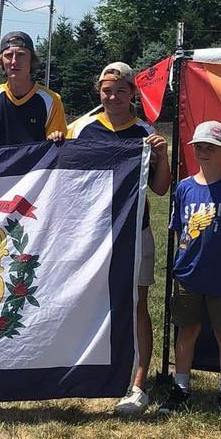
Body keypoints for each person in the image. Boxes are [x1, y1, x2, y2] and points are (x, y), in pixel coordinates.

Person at [56, 62, 171, 416]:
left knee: (137, 304)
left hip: (134, 233)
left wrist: (162, 156)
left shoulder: (144, 133)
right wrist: (55, 144)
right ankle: (86, 370)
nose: (114, 96)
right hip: (92, 235)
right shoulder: (83, 129)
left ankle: (138, 383)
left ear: (132, 94)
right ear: (99, 93)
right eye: (107, 90)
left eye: (121, 90)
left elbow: (161, 188)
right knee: (89, 301)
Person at [159, 121, 221, 416]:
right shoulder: (184, 188)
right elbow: (178, 229)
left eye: (210, 147)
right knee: (186, 330)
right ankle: (181, 387)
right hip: (188, 276)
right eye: (199, 146)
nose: (203, 152)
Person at [0, 31, 66, 147]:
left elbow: (55, 150)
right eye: (8, 55)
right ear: (1, 61)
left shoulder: (51, 101)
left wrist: (55, 138)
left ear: (31, 60)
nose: (14, 61)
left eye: (21, 55)